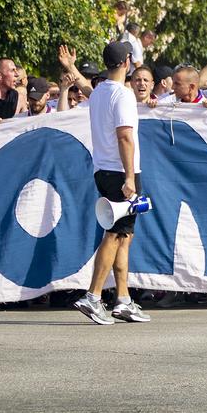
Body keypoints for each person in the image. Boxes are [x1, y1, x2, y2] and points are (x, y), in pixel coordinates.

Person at [73, 41, 151, 325]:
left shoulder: (99, 92)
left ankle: (123, 299)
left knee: (124, 236)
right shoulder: (122, 94)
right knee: (116, 234)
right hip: (120, 172)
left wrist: (71, 68)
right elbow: (125, 136)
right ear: (127, 62)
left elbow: (87, 90)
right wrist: (130, 177)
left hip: (104, 169)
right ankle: (93, 296)